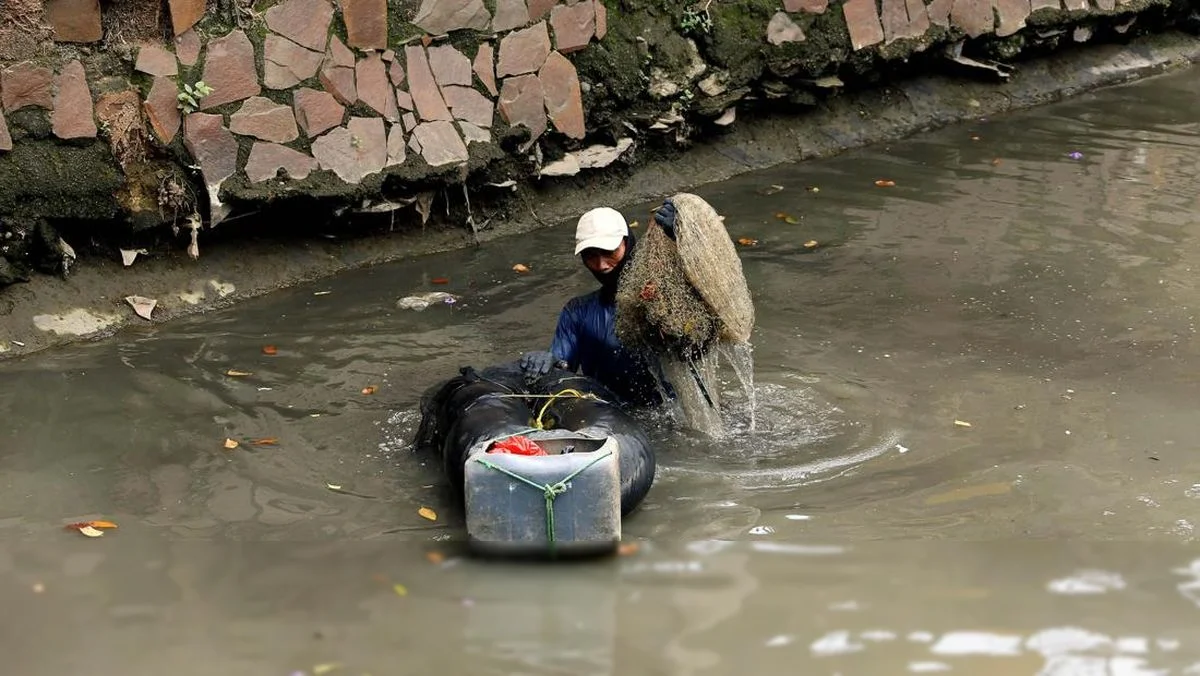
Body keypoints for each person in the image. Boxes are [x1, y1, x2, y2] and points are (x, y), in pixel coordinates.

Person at [519, 202, 678, 408]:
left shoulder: (664, 297)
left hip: (672, 414)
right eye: (591, 256)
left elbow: (698, 334)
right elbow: (561, 367)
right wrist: (543, 363)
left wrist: (683, 241)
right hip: (609, 417)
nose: (601, 265)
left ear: (627, 243)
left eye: (608, 252)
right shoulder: (577, 312)